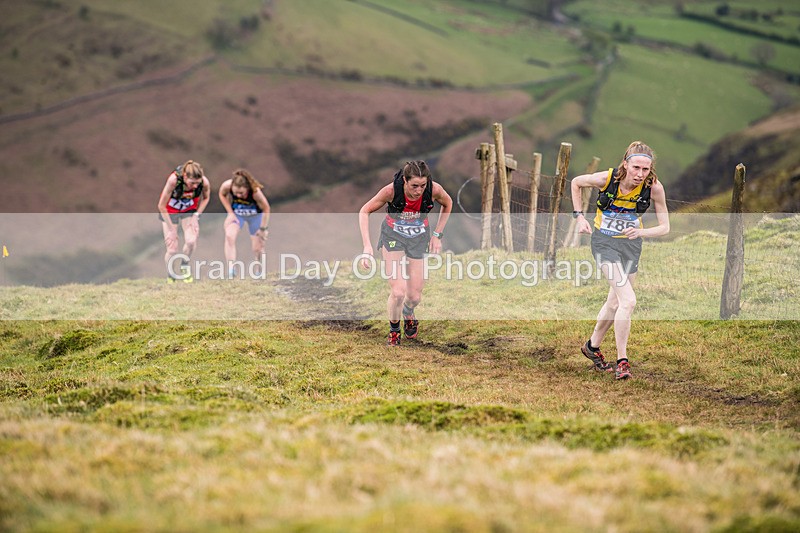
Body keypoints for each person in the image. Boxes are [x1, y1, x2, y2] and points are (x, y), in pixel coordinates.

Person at [570, 141, 670, 379]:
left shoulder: (654, 188)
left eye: (645, 170)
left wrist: (641, 232)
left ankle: (592, 347)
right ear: (625, 164)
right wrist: (579, 218)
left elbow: (666, 227)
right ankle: (622, 361)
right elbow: (576, 183)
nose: (640, 174)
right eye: (636, 168)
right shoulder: (607, 179)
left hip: (631, 246)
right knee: (629, 301)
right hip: (604, 244)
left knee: (615, 304)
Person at [359, 160, 453, 346]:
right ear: (405, 180)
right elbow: (364, 211)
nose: (418, 191)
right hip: (393, 237)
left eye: (422, 186)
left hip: (418, 239)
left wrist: (437, 235)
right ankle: (394, 330)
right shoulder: (391, 191)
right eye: (414, 186)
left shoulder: (433, 190)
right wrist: (367, 247)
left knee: (414, 297)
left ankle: (408, 312)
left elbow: (448, 204)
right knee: (398, 292)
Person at [157, 160, 211, 283]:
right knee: (172, 249)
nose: (195, 186)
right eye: (192, 183)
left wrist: (196, 216)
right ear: (185, 177)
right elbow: (161, 206)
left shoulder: (204, 182)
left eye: (197, 183)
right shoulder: (174, 181)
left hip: (189, 210)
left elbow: (206, 197)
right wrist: (171, 230)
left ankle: (184, 264)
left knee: (191, 241)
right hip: (169, 212)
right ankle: (171, 274)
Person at [218, 168, 271, 278]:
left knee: (258, 247)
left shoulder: (255, 191)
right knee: (229, 236)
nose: (238, 196)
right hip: (238, 214)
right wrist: (230, 213)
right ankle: (231, 270)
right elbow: (222, 195)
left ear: (247, 188)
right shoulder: (227, 185)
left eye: (241, 193)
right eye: (236, 192)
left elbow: (266, 208)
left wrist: (263, 229)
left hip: (255, 216)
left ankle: (259, 271)